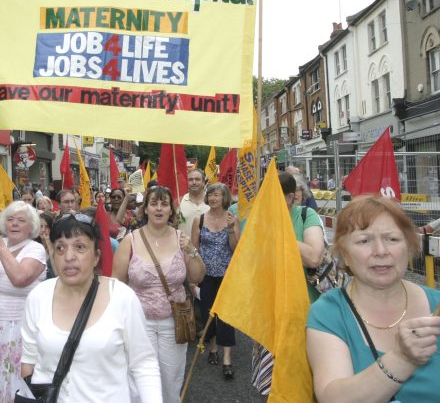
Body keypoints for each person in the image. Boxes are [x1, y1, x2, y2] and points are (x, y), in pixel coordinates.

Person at [307, 196, 440, 402]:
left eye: (392, 239)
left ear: (409, 247)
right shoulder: (328, 313)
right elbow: (333, 398)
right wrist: (402, 359)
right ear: (345, 254)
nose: (381, 251)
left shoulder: (436, 304)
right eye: (364, 241)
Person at [21, 212, 162, 402]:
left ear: (96, 256)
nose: (69, 257)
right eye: (60, 248)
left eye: (80, 247)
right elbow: (28, 363)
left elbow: (143, 363)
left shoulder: (122, 298)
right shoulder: (38, 297)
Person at [112, 185, 206, 403]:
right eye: (154, 203)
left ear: (171, 210)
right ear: (145, 209)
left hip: (174, 322)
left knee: (170, 379)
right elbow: (117, 283)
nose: (159, 208)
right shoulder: (130, 240)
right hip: (138, 323)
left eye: (164, 204)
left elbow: (197, 277)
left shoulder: (181, 238)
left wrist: (191, 249)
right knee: (139, 379)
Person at [251, 172, 326, 398]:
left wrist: (280, 233)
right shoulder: (260, 219)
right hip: (272, 310)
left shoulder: (306, 214)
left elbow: (314, 256)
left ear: (291, 197)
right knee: (276, 379)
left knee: (307, 375)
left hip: (306, 310)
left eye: (275, 195)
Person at [0, 201, 47, 402]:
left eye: (21, 220)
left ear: (31, 227)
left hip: (19, 329)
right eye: (10, 219)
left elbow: (20, 278)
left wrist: (2, 249)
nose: (15, 224)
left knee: (15, 381)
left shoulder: (35, 249)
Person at [191, 183, 240, 380]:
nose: (212, 198)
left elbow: (236, 248)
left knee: (226, 316)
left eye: (217, 195)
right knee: (208, 312)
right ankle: (212, 347)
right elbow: (194, 249)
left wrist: (230, 230)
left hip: (227, 275)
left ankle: (227, 359)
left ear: (225, 197)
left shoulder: (232, 218)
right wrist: (192, 278)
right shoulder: (199, 219)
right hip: (206, 275)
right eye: (210, 195)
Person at [179, 169, 210, 237]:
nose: (194, 182)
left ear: (203, 182)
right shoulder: (179, 202)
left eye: (197, 179)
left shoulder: (212, 201)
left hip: (208, 247)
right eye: (190, 179)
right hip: (184, 247)